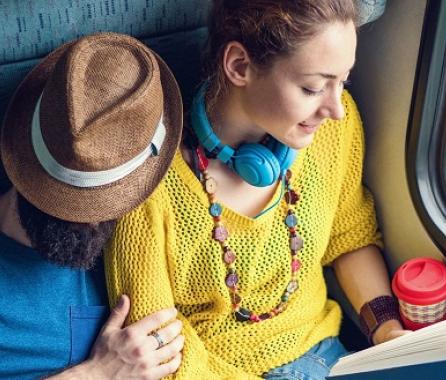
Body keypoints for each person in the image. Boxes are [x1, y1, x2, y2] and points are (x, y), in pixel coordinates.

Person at [105, 1, 409, 378]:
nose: (336, 108)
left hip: (327, 357)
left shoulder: (331, 131)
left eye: (342, 81)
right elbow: (158, 350)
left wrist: (386, 328)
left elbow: (349, 235)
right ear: (239, 66)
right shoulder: (148, 186)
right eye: (312, 88)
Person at [0, 33, 185, 379]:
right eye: (65, 201)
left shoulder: (146, 230)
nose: (89, 221)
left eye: (105, 199)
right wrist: (97, 373)